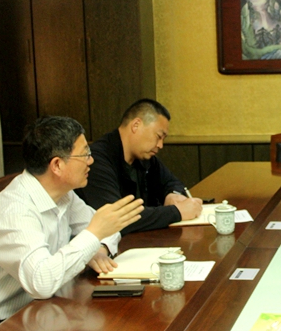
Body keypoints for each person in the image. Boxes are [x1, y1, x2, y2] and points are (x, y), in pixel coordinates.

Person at [0, 116, 144, 331]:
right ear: (57, 165)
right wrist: (93, 235)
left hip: (40, 306)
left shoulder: (63, 194)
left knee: (111, 324)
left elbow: (108, 228)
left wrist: (98, 249)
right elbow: (42, 283)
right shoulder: (15, 211)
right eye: (85, 154)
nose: (91, 161)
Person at [76, 99, 203, 234]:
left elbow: (172, 182)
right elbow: (117, 218)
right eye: (158, 136)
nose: (160, 145)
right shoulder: (97, 160)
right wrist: (176, 212)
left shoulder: (145, 157)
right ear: (136, 125)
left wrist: (171, 194)